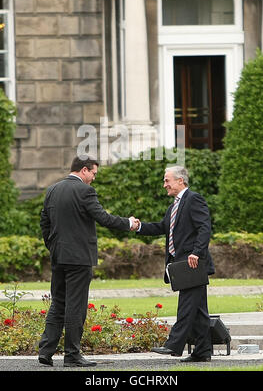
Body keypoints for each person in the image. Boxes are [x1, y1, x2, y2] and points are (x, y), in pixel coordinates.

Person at [38, 155, 139, 368]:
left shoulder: (52, 190)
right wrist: (127, 223)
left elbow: (44, 222)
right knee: (76, 306)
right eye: (93, 173)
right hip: (79, 258)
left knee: (58, 302)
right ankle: (72, 355)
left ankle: (46, 351)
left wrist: (53, 246)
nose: (94, 178)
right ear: (84, 170)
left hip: (58, 256)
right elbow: (103, 217)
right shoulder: (85, 191)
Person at [136, 165, 215, 362]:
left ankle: (173, 345)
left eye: (167, 180)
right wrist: (139, 227)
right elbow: (162, 227)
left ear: (181, 181)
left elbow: (204, 227)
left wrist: (197, 252)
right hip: (180, 265)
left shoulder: (193, 199)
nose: (164, 185)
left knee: (187, 305)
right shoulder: (173, 206)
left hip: (192, 263)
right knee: (198, 310)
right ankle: (203, 351)